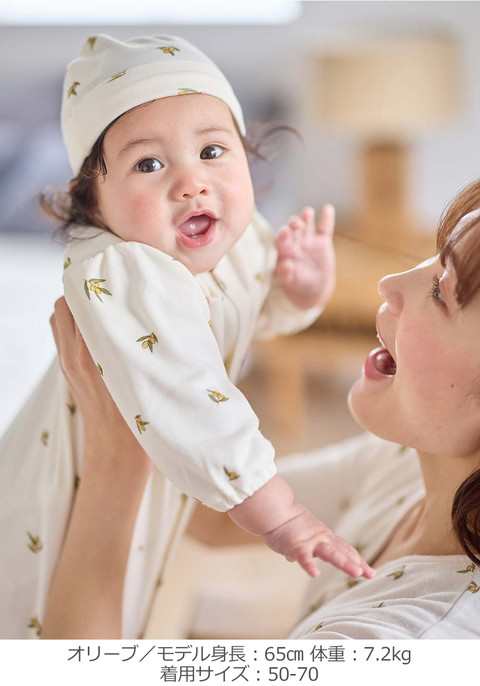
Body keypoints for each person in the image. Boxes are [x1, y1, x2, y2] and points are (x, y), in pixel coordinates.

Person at [0, 33, 372, 640]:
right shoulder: (123, 271)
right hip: (59, 492)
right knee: (40, 608)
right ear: (92, 205)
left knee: (140, 592)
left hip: (159, 472)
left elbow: (236, 317)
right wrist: (281, 514)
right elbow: (193, 395)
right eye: (149, 164)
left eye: (213, 150)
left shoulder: (234, 234)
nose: (191, 183)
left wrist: (294, 293)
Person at [44, 180, 480, 639]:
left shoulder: (410, 640)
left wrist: (116, 460)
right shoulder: (411, 468)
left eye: (440, 290)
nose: (389, 284)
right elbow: (217, 509)